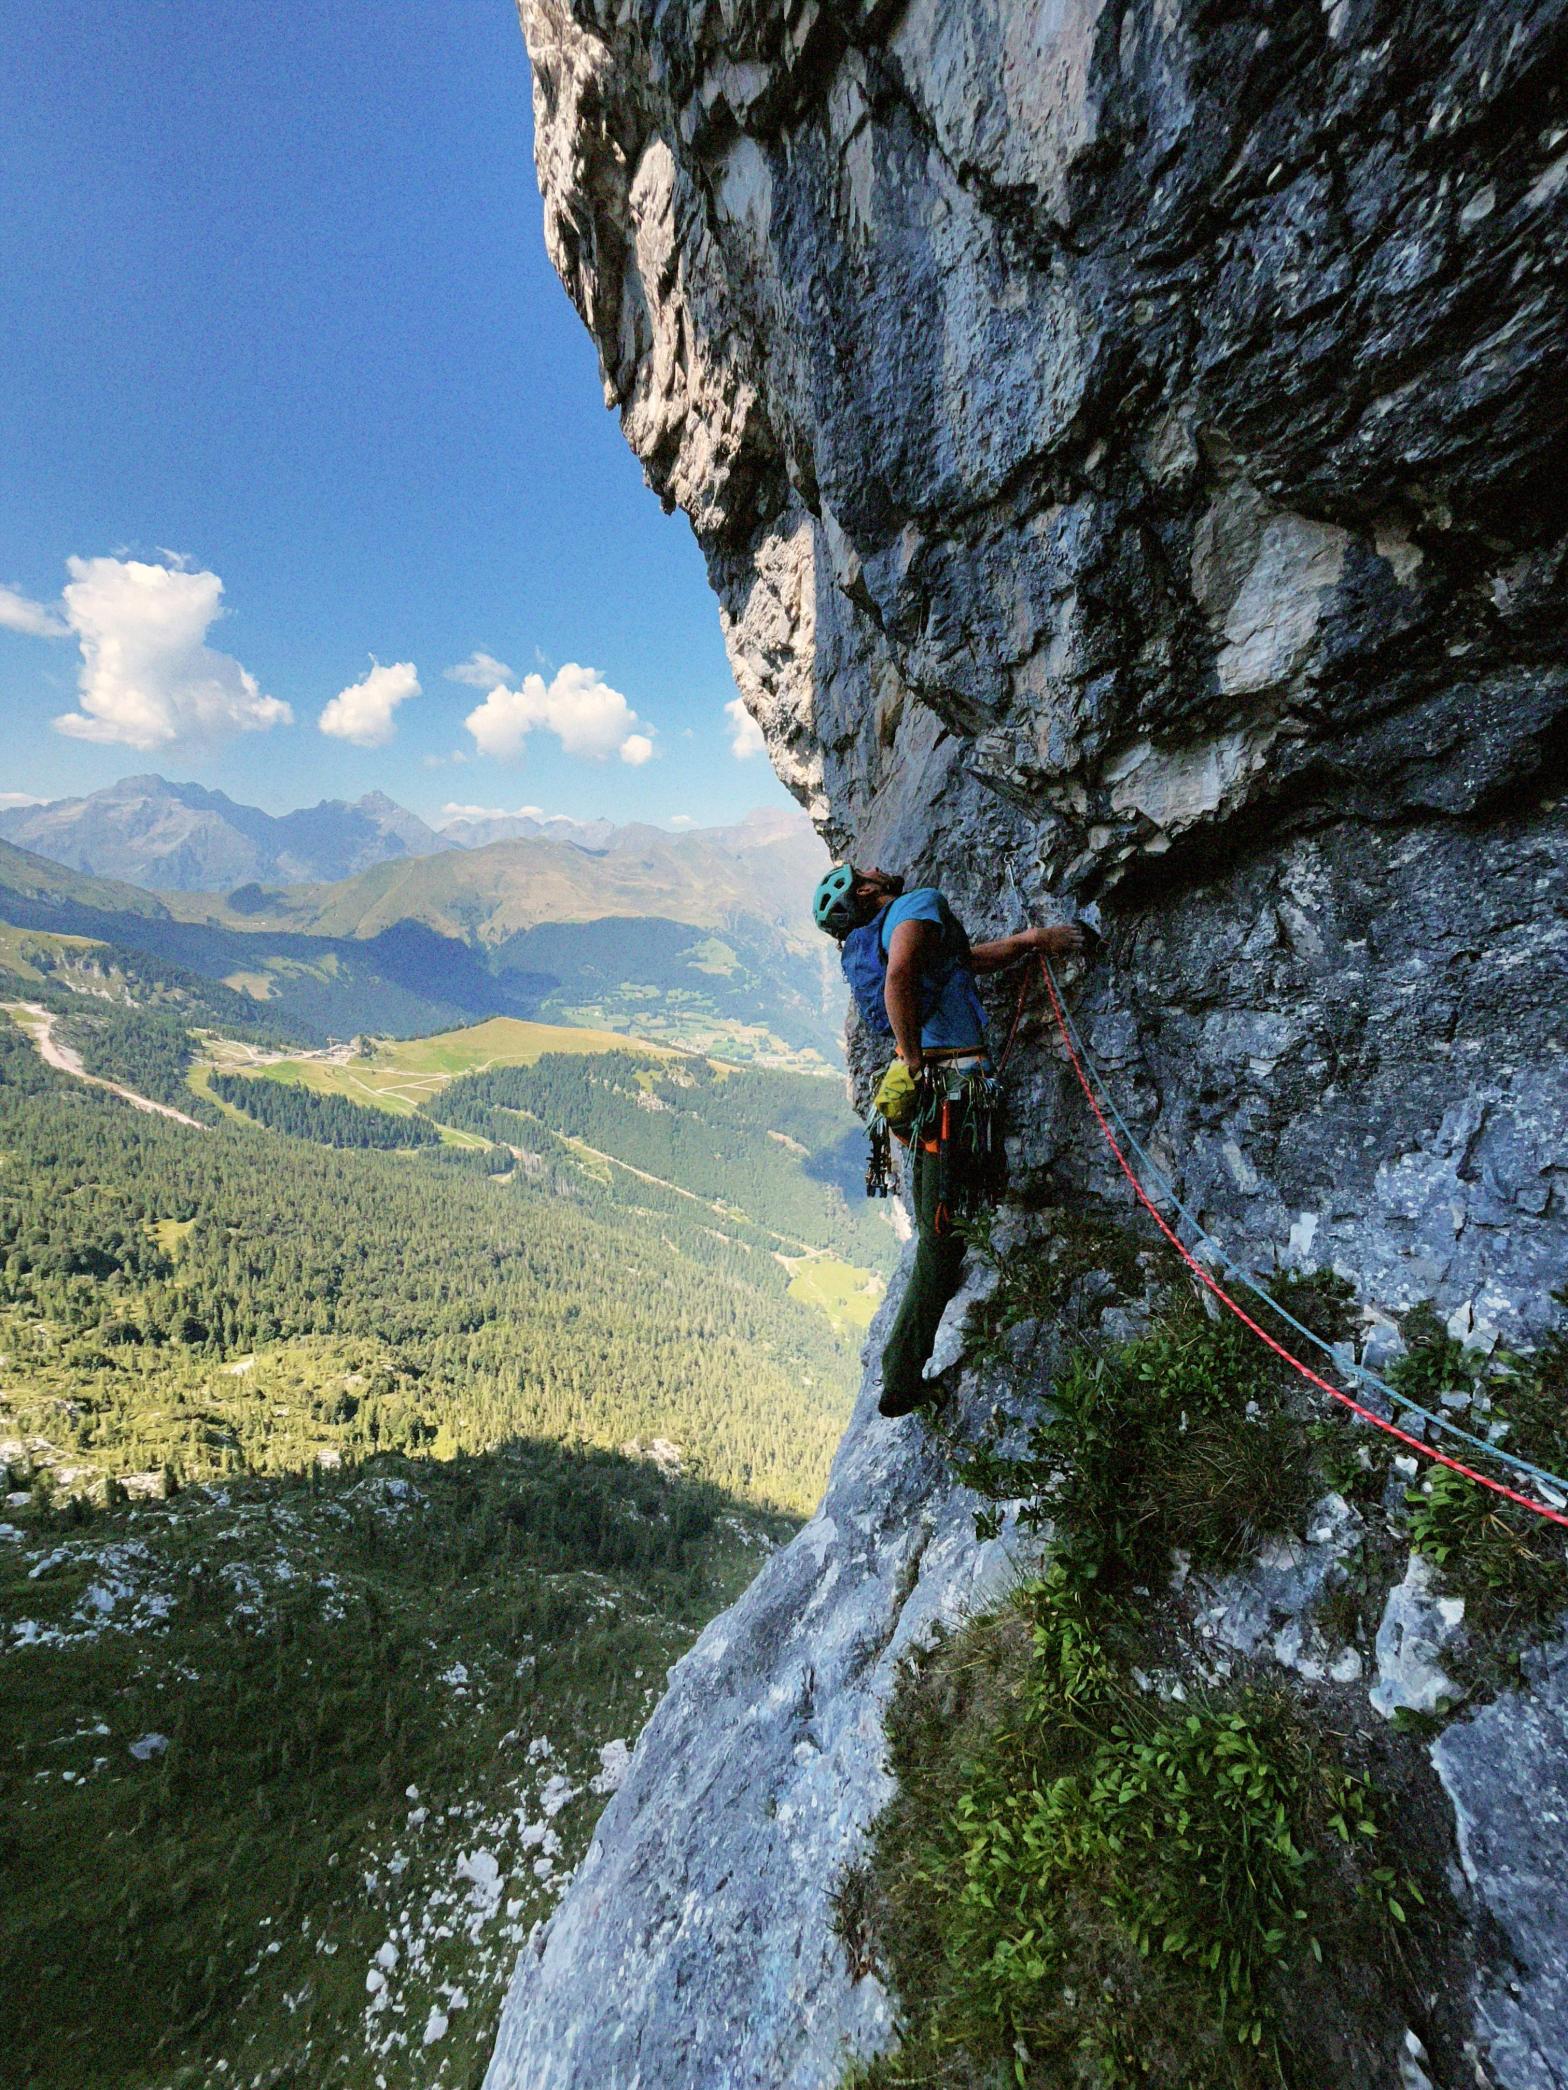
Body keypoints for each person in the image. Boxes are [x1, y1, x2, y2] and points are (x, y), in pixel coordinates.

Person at [813, 864, 1084, 1417]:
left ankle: (944, 1274)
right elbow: (900, 978)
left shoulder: (891, 930)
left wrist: (1031, 941)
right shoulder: (918, 903)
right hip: (950, 1090)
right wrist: (915, 1061)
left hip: (943, 1092)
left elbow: (964, 962)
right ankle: (901, 1378)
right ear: (866, 890)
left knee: (954, 1208)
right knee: (940, 1243)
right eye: (862, 872)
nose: (873, 867)